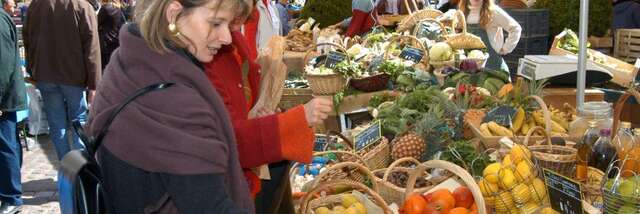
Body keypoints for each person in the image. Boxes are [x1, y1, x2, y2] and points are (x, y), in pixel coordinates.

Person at [87, 0, 255, 212]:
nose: (227, 38)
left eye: (228, 24)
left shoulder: (129, 62)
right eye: (215, 23)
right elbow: (211, 207)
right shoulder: (175, 100)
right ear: (174, 14)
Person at [205, 15, 333, 214]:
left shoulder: (232, 41)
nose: (226, 36)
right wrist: (297, 119)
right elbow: (227, 139)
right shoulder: (194, 64)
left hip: (253, 166)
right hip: (231, 184)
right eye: (216, 23)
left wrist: (262, 114)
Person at [0, 1, 27, 213]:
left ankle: (11, 197)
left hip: (5, 97)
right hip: (6, 95)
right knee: (8, 143)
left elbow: (3, 64)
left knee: (6, 144)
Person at [457, 0, 521, 72]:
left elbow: (515, 28)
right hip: (470, 67)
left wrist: (505, 49)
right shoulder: (462, 12)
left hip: (493, 66)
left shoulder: (494, 12)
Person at [97, 0, 126, 70]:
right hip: (115, 41)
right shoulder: (119, 8)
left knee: (103, 67)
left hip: (105, 42)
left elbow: (96, 22)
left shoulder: (105, 8)